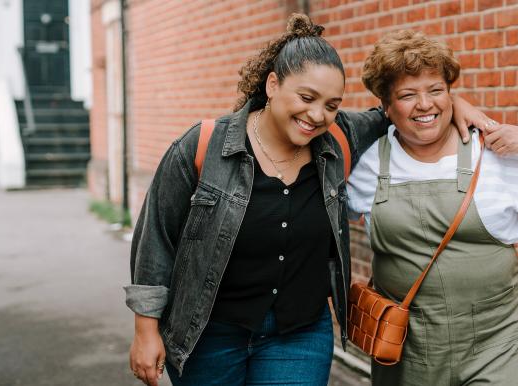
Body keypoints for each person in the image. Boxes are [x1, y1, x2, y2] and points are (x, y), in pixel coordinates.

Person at [126, 15, 491, 386]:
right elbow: (155, 238)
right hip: (209, 334)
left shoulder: (339, 139)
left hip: (299, 333)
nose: (317, 115)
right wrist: (145, 329)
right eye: (306, 97)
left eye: (332, 105)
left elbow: (401, 112)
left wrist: (455, 104)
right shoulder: (205, 145)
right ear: (272, 84)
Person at [347, 30, 518, 385]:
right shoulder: (367, 163)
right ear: (386, 107)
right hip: (405, 343)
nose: (425, 104)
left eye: (436, 90)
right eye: (407, 95)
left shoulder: (495, 154)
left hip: (493, 340)